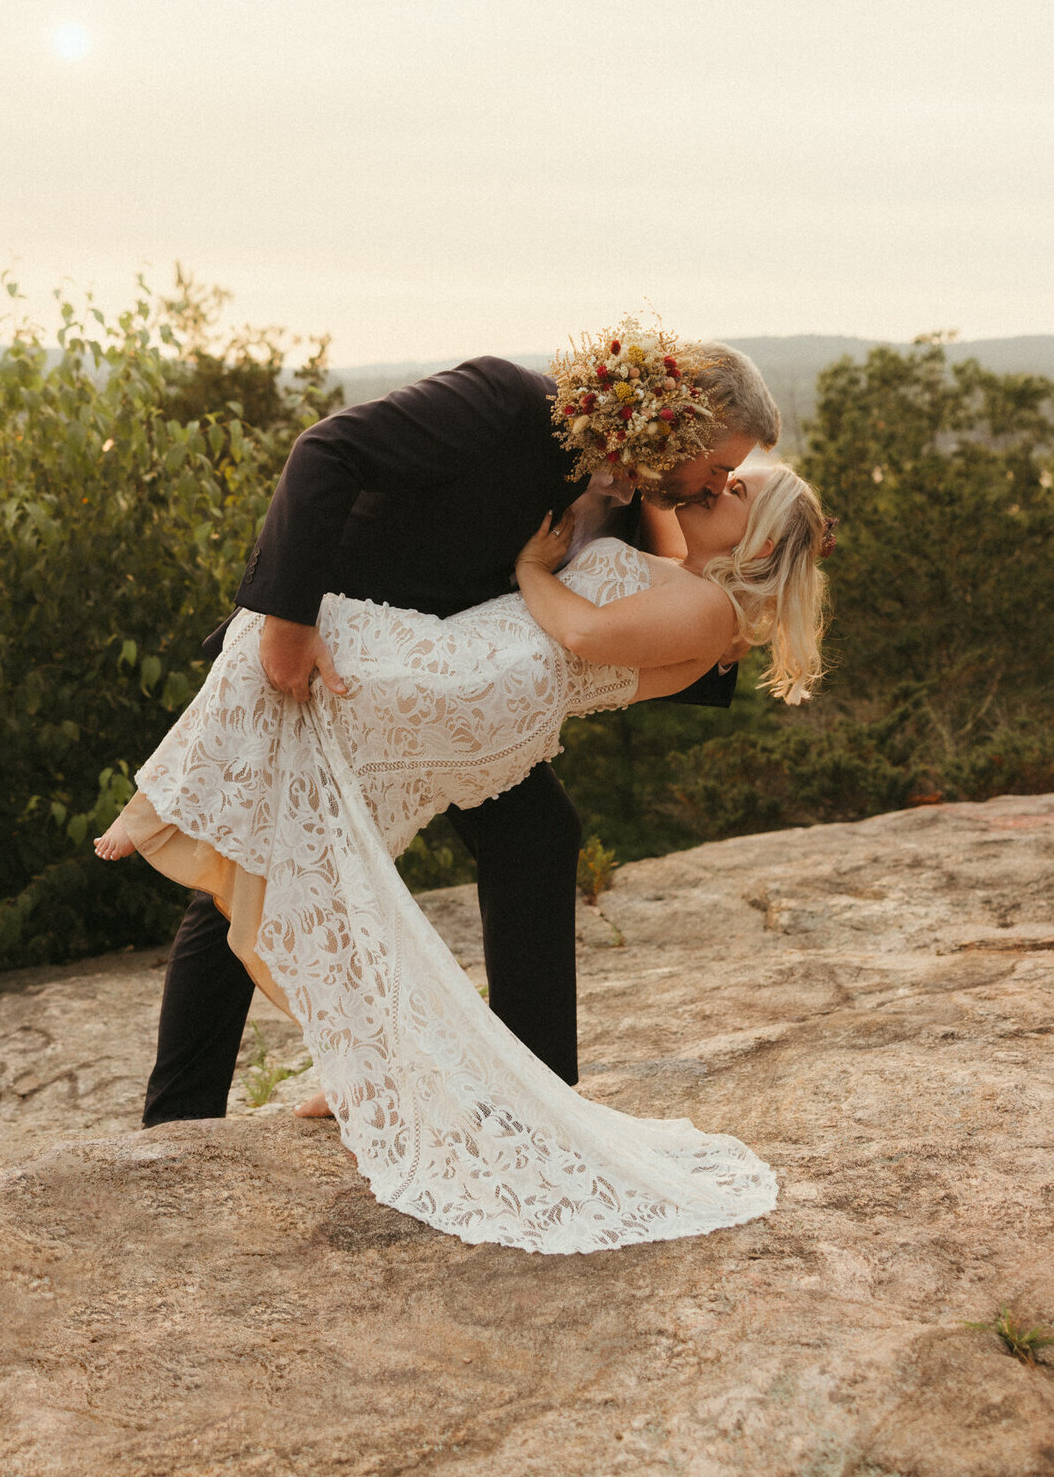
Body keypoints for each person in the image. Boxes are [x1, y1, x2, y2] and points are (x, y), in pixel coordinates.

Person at [94, 326, 832, 1253]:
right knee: (258, 863)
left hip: (464, 695)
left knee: (534, 839)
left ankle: (533, 1098)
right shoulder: (502, 406)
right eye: (718, 466)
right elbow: (325, 450)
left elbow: (665, 611)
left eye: (732, 483)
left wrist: (737, 609)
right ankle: (178, 1130)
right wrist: (286, 622)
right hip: (352, 656)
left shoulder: (641, 500)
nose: (716, 486)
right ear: (680, 424)